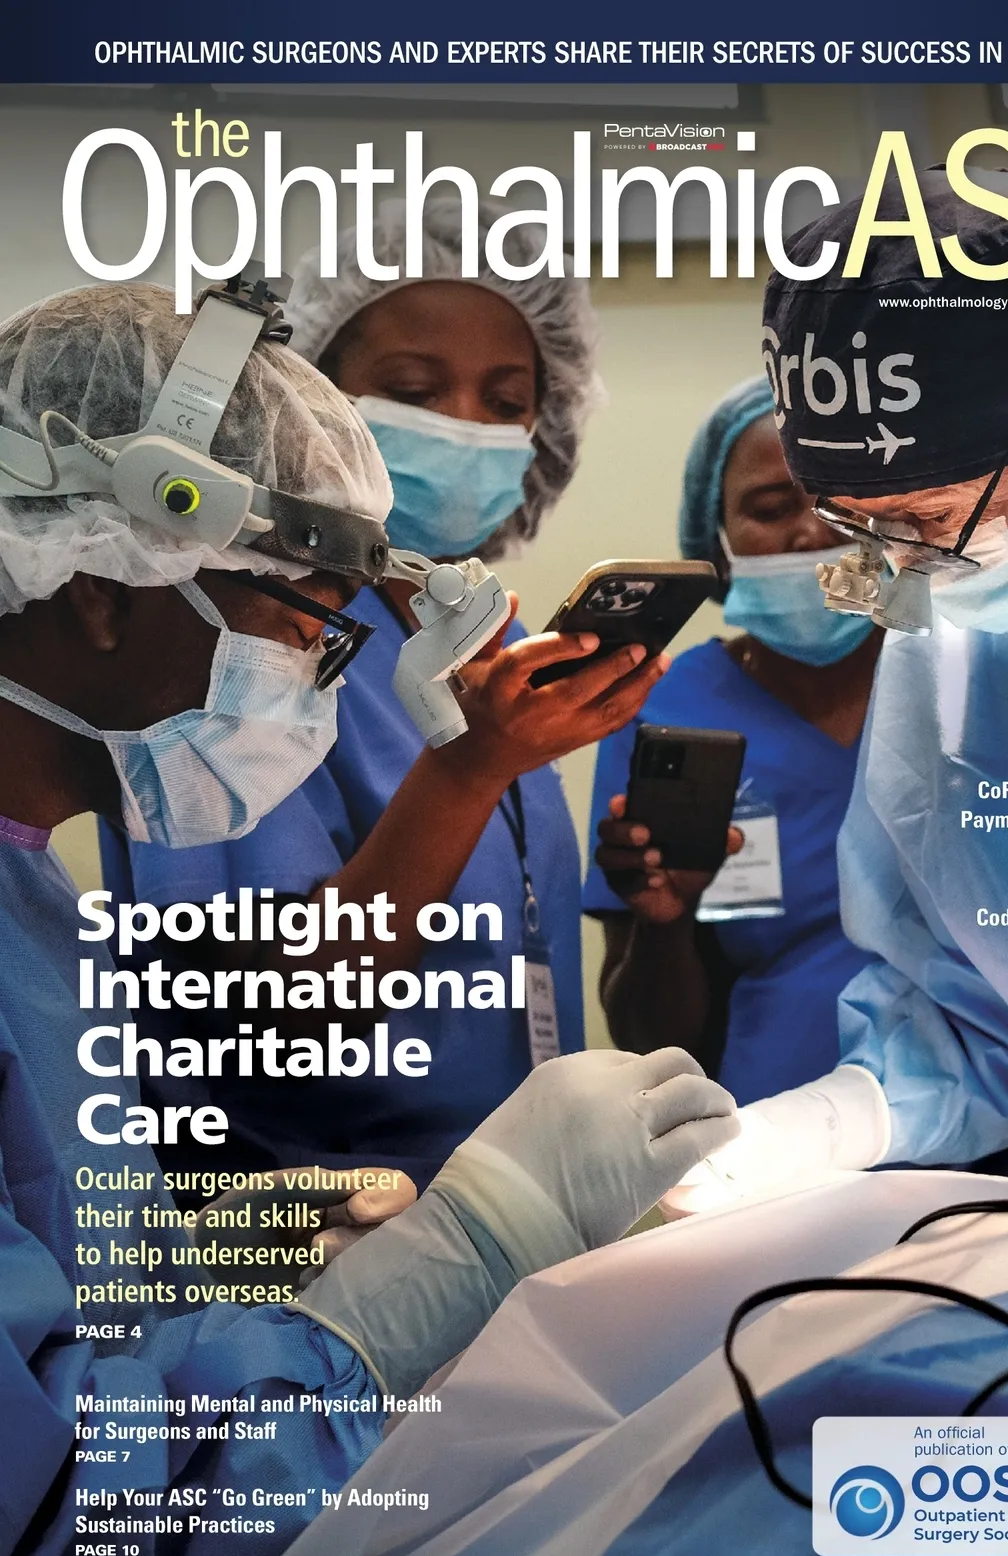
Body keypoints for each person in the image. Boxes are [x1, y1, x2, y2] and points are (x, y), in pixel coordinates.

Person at [0, 281, 738, 1556]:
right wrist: (448, 1262)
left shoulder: (29, 891)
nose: (317, 676)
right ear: (104, 588)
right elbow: (65, 1527)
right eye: (310, 623)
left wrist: (191, 1266)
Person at [667, 125, 1008, 1245]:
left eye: (935, 517)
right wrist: (813, 1127)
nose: (901, 570)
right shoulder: (954, 639)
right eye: (864, 525)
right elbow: (983, 1010)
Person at [100, 200, 665, 1188]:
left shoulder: (489, 648)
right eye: (413, 390)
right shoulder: (243, 636)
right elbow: (268, 1005)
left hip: (511, 1196)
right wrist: (469, 770)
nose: (465, 426)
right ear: (307, 400)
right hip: (313, 1217)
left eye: (505, 399)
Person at [582, 376, 881, 1098]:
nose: (812, 533)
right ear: (715, 542)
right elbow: (646, 1040)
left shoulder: (963, 679)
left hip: (997, 1131)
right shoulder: (665, 706)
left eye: (839, 501)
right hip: (771, 1134)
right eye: (770, 508)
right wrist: (666, 922)